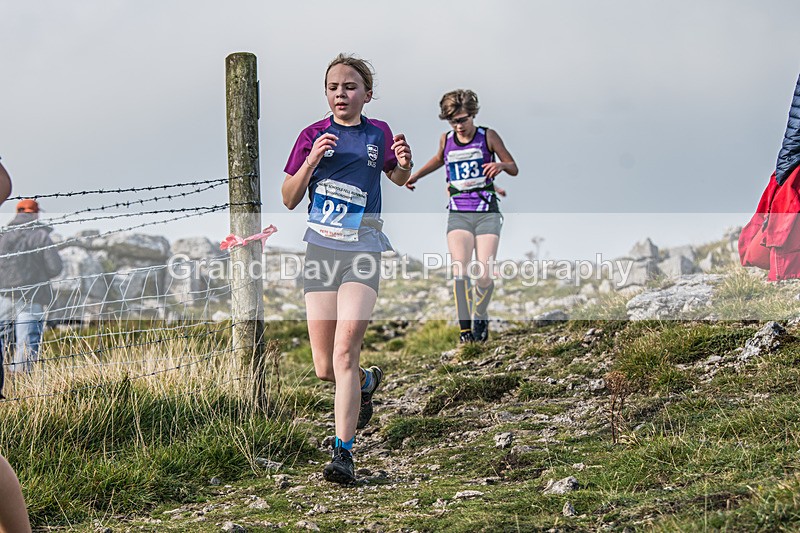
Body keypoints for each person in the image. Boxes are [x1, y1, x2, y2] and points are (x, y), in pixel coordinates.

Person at [281, 53, 413, 484]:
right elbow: (288, 197)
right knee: (325, 367)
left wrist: (405, 164)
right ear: (326, 93)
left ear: (367, 94)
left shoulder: (379, 133)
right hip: (321, 253)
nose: (342, 93)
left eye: (351, 86)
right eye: (334, 87)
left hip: (363, 250)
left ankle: (344, 453)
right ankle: (366, 383)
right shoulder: (311, 135)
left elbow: (396, 177)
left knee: (344, 351)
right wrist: (310, 162)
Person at [405, 89, 518, 343]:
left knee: (485, 275)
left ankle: (480, 312)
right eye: (454, 121)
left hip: (486, 211)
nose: (459, 126)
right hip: (458, 213)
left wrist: (500, 165)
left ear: (473, 115)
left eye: (463, 120)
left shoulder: (487, 136)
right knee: (460, 271)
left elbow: (514, 167)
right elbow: (438, 160)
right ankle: (465, 333)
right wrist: (415, 176)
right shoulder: (447, 140)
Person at [0, 158, 33, 533]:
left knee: (13, 335)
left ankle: (16, 364)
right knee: (29, 338)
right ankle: (23, 367)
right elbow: (52, 266)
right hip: (30, 296)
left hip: (8, 295)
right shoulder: (39, 232)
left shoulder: (9, 232)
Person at [0, 198, 63, 391]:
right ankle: (19, 387)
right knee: (26, 343)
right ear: (35, 213)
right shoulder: (40, 236)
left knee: (1, 339)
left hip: (3, 296)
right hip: (31, 296)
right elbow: (55, 268)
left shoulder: (3, 235)